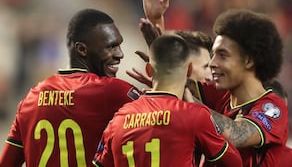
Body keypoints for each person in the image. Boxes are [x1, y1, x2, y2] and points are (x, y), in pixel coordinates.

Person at [138, 0, 292, 166]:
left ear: (248, 60)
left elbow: (238, 135)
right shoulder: (221, 96)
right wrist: (156, 20)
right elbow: (173, 72)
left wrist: (193, 105)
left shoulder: (272, 107)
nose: (212, 64)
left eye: (222, 55)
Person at [0, 9, 142, 167]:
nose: (119, 54)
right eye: (110, 47)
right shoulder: (111, 92)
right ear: (82, 50)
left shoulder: (31, 99)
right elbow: (167, 113)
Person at [93, 34, 242, 167]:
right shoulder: (195, 115)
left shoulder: (118, 120)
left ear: (149, 70)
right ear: (189, 70)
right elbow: (234, 162)